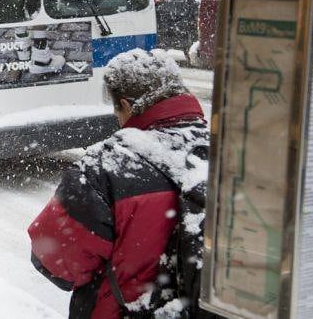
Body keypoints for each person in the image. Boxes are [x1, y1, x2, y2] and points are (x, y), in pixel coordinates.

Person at [28, 49, 210, 318]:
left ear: (126, 105)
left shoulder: (103, 168)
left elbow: (56, 261)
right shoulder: (227, 152)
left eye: (116, 109)